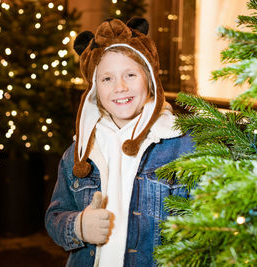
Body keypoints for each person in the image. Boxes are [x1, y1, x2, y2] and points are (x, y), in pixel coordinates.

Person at [45, 17, 195, 267]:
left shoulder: (180, 145)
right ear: (94, 89)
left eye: (130, 74)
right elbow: (54, 217)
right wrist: (79, 226)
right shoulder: (80, 153)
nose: (120, 87)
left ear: (149, 79)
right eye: (107, 79)